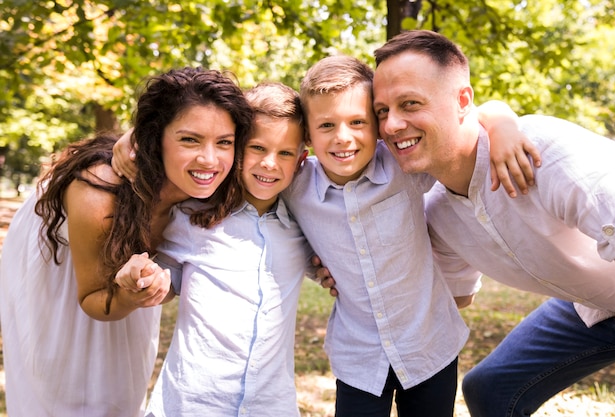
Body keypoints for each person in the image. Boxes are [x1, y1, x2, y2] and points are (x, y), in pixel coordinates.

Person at [372, 29, 615, 417]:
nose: (391, 125)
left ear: (463, 101)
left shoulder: (544, 156)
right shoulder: (438, 214)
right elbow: (452, 300)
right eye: (382, 112)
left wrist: (500, 117)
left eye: (410, 103)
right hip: (592, 307)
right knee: (490, 390)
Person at [282, 54, 538, 417]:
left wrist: (502, 124)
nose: (343, 138)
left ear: (377, 126)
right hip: (359, 356)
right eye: (326, 125)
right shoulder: (295, 187)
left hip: (429, 346)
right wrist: (314, 265)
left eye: (358, 122)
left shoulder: (403, 164)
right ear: (307, 133)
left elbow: (462, 120)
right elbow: (286, 231)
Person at [0, 67, 253, 417]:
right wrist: (126, 297)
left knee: (119, 390)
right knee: (58, 388)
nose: (210, 159)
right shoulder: (100, 190)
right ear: (155, 138)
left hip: (123, 290)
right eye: (189, 140)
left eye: (224, 142)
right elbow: (92, 297)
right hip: (58, 273)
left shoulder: (220, 183)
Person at [115, 82, 316, 416]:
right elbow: (168, 278)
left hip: (271, 405)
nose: (270, 163)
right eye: (257, 148)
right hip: (191, 404)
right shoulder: (193, 216)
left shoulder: (304, 226)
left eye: (284, 153)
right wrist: (150, 278)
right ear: (235, 148)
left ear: (301, 160)